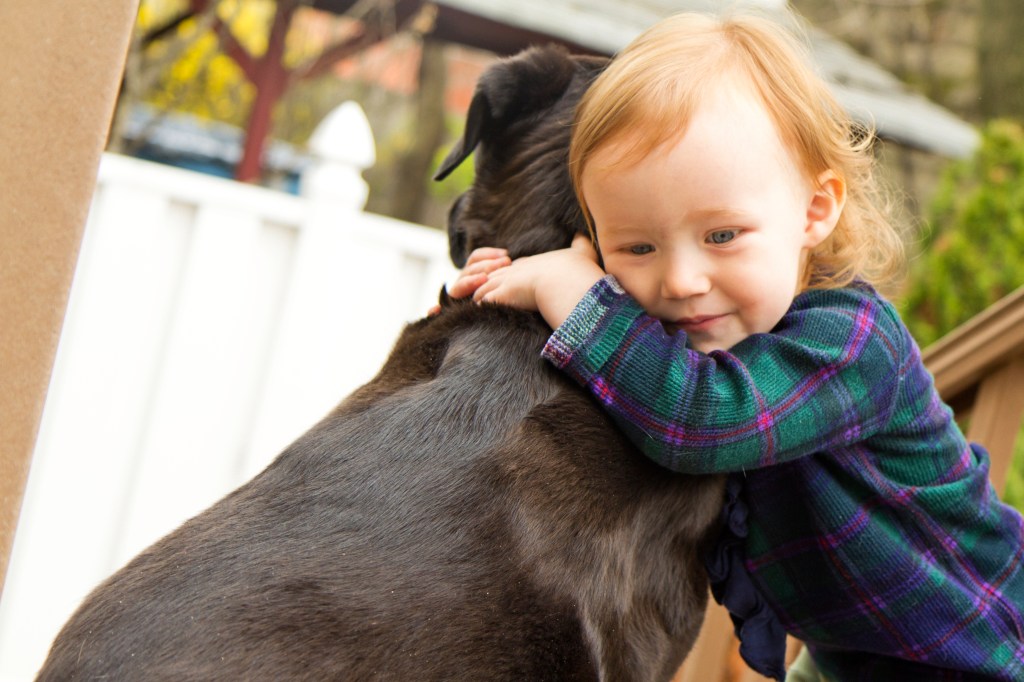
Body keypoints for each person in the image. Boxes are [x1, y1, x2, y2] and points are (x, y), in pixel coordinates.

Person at [447, 9, 1024, 682]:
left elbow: (702, 417)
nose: (682, 280)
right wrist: (520, 290)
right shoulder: (707, 326)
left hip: (980, 653)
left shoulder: (854, 345)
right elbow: (632, 376)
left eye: (722, 236)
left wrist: (575, 297)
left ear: (815, 209)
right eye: (637, 246)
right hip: (858, 656)